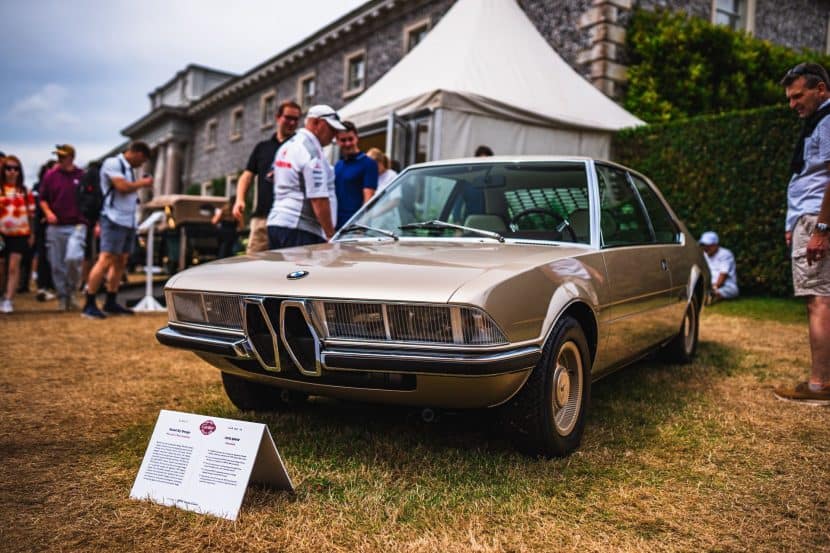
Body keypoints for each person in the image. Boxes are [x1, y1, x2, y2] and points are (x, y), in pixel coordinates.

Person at [774, 62, 830, 404]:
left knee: (819, 301)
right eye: (790, 98)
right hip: (806, 220)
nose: (793, 103)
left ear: (820, 89)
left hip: (815, 221)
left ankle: (818, 385)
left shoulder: (827, 121)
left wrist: (821, 229)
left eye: (798, 96)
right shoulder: (818, 122)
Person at [82, 141, 153, 319]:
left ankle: (111, 300)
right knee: (105, 258)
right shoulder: (113, 163)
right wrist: (142, 183)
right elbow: (122, 187)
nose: (141, 164)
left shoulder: (128, 168)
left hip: (128, 221)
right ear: (136, 153)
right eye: (142, 159)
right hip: (113, 218)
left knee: (121, 261)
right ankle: (89, 302)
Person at [267, 104, 344, 249]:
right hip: (300, 229)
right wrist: (330, 235)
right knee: (302, 272)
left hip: (277, 223)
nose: (334, 135)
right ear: (316, 123)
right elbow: (318, 198)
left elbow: (272, 177)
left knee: (280, 271)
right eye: (332, 129)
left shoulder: (287, 145)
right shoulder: (311, 151)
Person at [232, 100, 301, 253]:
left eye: (295, 119)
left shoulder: (300, 148)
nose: (292, 122)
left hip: (289, 220)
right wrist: (239, 199)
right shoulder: (262, 148)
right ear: (278, 117)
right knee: (254, 266)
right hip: (262, 218)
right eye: (288, 117)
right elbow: (247, 176)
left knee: (286, 268)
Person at [39, 145, 87, 312]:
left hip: (77, 225)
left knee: (74, 258)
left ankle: (72, 291)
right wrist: (48, 213)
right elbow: (42, 198)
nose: (59, 159)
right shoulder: (50, 175)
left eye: (63, 156)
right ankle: (62, 296)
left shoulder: (81, 175)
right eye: (58, 156)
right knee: (56, 264)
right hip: (55, 226)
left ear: (71, 157)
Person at [0, 156, 35, 313]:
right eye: (9, 168)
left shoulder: (25, 191)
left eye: (16, 168)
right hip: (2, 233)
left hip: (20, 233)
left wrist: (32, 233)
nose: (12, 172)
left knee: (14, 266)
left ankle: (8, 298)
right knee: (1, 267)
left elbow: (31, 214)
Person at [334, 120, 377, 229]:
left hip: (355, 226)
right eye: (343, 140)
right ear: (337, 141)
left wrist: (360, 226)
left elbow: (368, 201)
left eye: (350, 139)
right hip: (336, 225)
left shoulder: (368, 163)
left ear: (357, 138)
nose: (347, 143)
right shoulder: (337, 165)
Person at [32, 160, 57, 301]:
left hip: (56, 224)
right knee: (43, 256)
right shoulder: (40, 186)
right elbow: (38, 204)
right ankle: (43, 286)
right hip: (42, 226)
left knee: (55, 257)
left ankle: (52, 284)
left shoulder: (57, 184)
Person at [699, 231, 738, 300]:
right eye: (704, 245)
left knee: (730, 290)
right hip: (708, 286)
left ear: (715, 244)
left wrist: (714, 287)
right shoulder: (704, 255)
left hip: (725, 286)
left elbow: (723, 274)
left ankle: (712, 296)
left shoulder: (725, 254)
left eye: (708, 245)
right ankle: (708, 295)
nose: (706, 248)